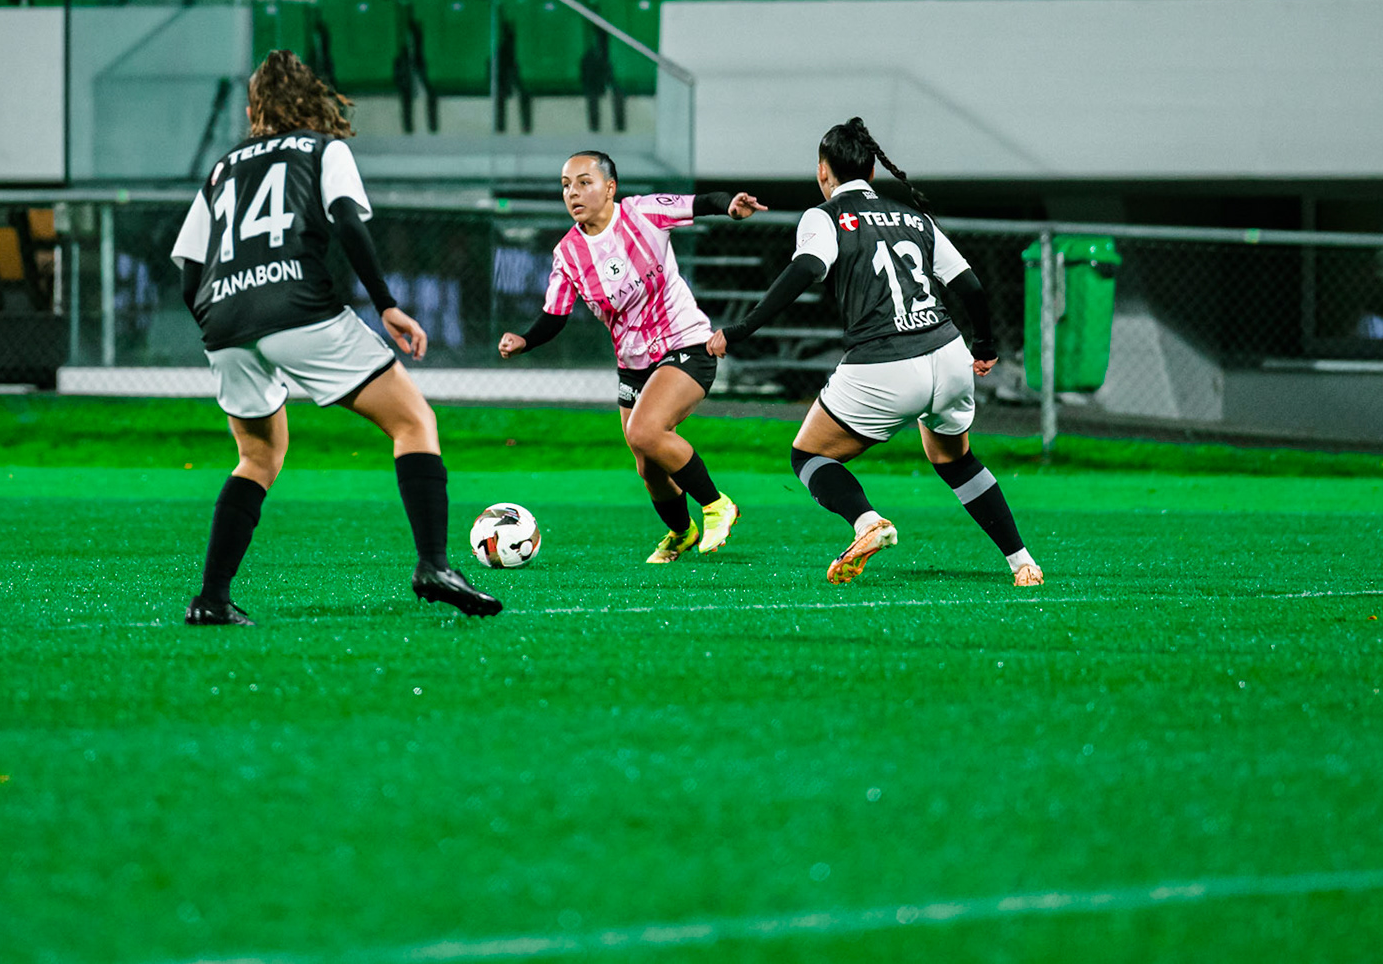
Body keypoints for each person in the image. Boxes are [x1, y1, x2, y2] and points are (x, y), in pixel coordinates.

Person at [170, 51, 502, 624]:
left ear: (253, 109)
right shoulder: (324, 149)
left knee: (257, 455)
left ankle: (211, 599)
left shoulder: (222, 168)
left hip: (222, 320)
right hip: (296, 307)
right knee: (413, 421)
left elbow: (188, 270)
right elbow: (347, 221)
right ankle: (434, 564)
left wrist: (217, 325)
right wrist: (388, 305)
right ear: (312, 99)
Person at [708, 118, 1044, 588]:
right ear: (870, 167)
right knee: (956, 460)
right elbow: (971, 286)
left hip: (885, 365)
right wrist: (984, 345)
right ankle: (1023, 562)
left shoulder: (825, 216)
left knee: (809, 456)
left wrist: (740, 329)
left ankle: (866, 522)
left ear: (824, 171)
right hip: (949, 356)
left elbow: (804, 270)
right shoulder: (913, 216)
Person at [498, 151, 766, 563]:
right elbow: (554, 315)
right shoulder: (567, 254)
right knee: (648, 466)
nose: (573, 192)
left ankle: (716, 505)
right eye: (566, 185)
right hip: (633, 364)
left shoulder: (642, 213)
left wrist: (729, 205)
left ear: (610, 187)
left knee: (644, 431)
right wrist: (525, 340)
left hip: (686, 343)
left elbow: (698, 202)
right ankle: (682, 532)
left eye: (584, 182)